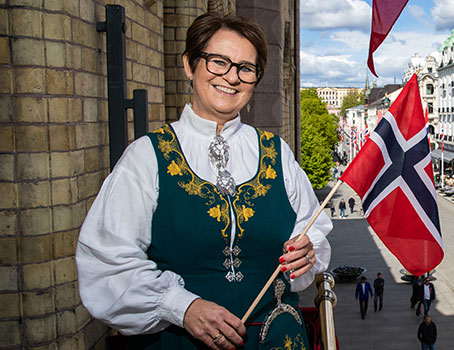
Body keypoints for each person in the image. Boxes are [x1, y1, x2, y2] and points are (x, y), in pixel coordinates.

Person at [75, 13, 332, 349]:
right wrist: (183, 307)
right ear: (189, 65)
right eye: (218, 62)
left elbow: (313, 231)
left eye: (246, 68)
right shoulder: (146, 157)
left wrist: (307, 253)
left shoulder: (277, 152)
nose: (231, 77)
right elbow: (107, 264)